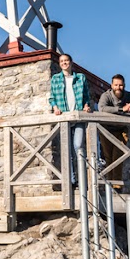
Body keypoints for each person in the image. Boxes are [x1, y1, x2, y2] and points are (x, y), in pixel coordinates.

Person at [49, 53, 91, 186]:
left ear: (71, 62)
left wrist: (86, 106)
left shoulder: (80, 78)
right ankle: (72, 180)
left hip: (78, 116)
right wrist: (55, 108)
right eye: (62, 61)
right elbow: (52, 98)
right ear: (59, 63)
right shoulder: (55, 79)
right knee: (67, 149)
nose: (64, 63)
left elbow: (86, 96)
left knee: (78, 146)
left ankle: (83, 179)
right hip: (64, 118)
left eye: (66, 60)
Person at [97, 74, 130, 184]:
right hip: (106, 130)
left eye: (120, 85)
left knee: (118, 158)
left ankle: (116, 186)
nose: (118, 87)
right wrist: (122, 109)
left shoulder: (129, 96)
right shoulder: (106, 95)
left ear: (124, 85)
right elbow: (102, 108)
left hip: (121, 130)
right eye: (116, 85)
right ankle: (108, 185)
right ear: (112, 85)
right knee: (107, 157)